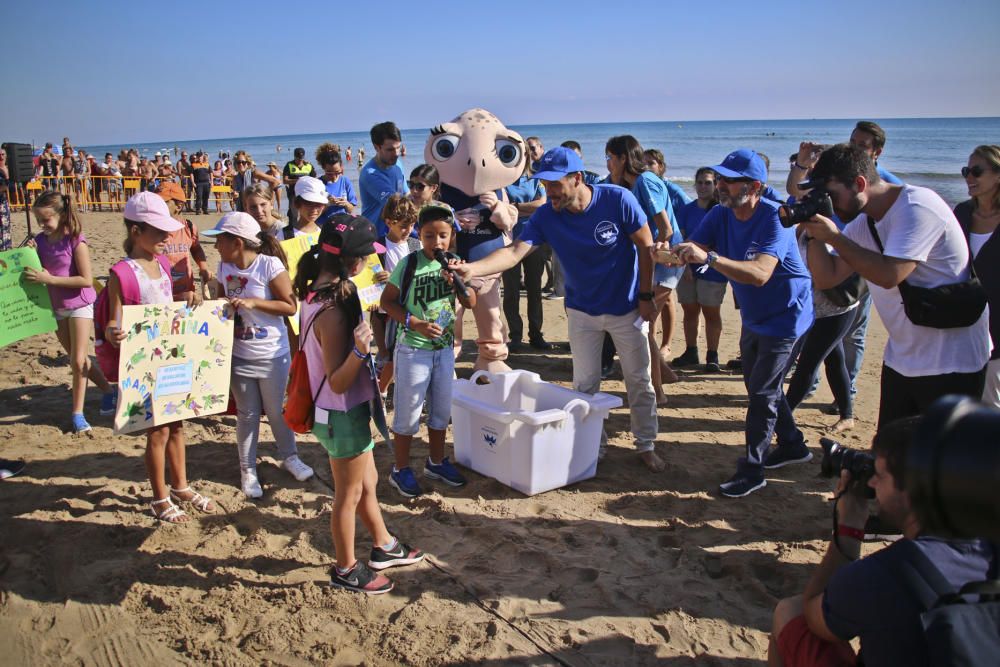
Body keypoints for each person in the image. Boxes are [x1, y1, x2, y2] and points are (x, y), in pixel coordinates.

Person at [453, 147, 664, 471]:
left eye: (554, 184)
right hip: (581, 312)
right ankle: (594, 443)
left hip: (626, 309)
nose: (547, 191)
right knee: (584, 385)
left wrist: (646, 296)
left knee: (639, 380)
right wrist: (473, 268)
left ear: (577, 178)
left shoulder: (617, 199)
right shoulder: (547, 216)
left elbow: (646, 245)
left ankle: (645, 443)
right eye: (543, 184)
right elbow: (513, 253)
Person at [769, 416, 995, 667]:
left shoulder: (886, 573)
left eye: (880, 475)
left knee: (791, 612)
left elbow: (814, 616)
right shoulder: (989, 546)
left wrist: (849, 528)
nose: (873, 482)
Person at [800, 143, 990, 428]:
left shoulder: (917, 207)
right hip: (903, 358)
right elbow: (827, 277)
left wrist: (836, 237)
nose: (829, 203)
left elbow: (890, 274)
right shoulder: (866, 222)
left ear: (860, 183)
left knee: (940, 464)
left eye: (831, 194)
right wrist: (815, 233)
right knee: (893, 458)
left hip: (953, 361)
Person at [670, 149, 814, 497]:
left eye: (730, 181)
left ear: (756, 186)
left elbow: (761, 273)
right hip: (754, 314)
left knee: (762, 393)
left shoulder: (774, 218)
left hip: (787, 316)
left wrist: (710, 258)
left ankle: (752, 469)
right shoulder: (722, 213)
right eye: (720, 179)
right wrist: (669, 251)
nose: (721, 185)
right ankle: (793, 444)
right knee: (758, 384)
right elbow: (694, 248)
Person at [293, 217, 423, 593]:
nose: (371, 262)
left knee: (368, 482)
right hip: (338, 412)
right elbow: (336, 379)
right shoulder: (331, 311)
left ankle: (384, 545)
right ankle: (346, 568)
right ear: (353, 262)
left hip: (348, 407)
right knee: (348, 495)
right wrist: (359, 350)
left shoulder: (326, 291)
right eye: (368, 257)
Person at [103, 192, 217, 523]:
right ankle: (159, 497)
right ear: (136, 232)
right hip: (146, 364)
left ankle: (180, 485)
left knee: (177, 425)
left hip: (171, 358)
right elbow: (114, 318)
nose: (167, 238)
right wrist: (113, 332)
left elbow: (166, 305)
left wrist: (188, 298)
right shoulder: (122, 272)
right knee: (157, 432)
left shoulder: (163, 264)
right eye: (159, 232)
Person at [788, 121, 903, 408]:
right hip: (826, 256)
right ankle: (815, 387)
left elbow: (890, 274)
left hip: (859, 269)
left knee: (851, 336)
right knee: (825, 340)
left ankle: (846, 395)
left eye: (862, 144)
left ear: (877, 152)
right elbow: (796, 190)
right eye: (852, 141)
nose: (854, 146)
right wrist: (803, 164)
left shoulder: (888, 189)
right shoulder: (837, 180)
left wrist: (834, 237)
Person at [201, 212, 314, 498]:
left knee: (277, 411)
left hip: (273, 352)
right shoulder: (223, 265)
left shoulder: (268, 264)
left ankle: (290, 457)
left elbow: (290, 306)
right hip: (239, 353)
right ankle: (247, 469)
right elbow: (218, 301)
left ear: (237, 242)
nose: (216, 247)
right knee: (247, 414)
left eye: (220, 241)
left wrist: (253, 302)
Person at [379, 204, 475, 497]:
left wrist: (458, 284)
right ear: (420, 235)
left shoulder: (456, 263)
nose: (437, 242)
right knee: (408, 414)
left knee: (441, 411)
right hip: (413, 350)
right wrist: (414, 322)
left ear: (452, 237)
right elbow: (387, 302)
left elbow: (470, 301)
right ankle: (400, 468)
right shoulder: (408, 265)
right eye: (430, 235)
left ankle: (436, 461)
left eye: (443, 236)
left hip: (444, 350)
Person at [23, 191, 116, 433]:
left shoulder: (76, 241)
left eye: (46, 220)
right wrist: (30, 255)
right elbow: (38, 271)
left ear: (61, 216)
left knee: (76, 360)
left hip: (80, 304)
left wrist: (49, 278)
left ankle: (77, 414)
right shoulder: (41, 242)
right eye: (39, 221)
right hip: (55, 307)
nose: (42, 225)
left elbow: (86, 280)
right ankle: (108, 390)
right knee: (79, 359)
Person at [784, 223, 859, 433]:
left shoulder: (824, 233)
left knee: (808, 363)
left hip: (836, 310)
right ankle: (847, 415)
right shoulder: (794, 230)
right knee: (835, 361)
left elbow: (825, 274)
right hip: (813, 309)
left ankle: (783, 415)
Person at [672, 168, 726, 371]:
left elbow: (723, 243)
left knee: (711, 312)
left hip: (712, 269)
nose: (703, 187)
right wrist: (684, 266)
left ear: (715, 186)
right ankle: (691, 351)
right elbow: (682, 238)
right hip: (688, 269)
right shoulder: (686, 209)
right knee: (690, 310)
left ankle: (712, 355)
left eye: (708, 183)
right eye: (700, 182)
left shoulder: (720, 210)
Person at [371, 194, 420, 392]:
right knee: (386, 352)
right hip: (382, 309)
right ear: (389, 222)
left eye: (411, 225)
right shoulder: (376, 246)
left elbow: (418, 276)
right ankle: (380, 388)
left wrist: (393, 276)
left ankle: (389, 386)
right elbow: (368, 276)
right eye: (403, 226)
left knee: (403, 351)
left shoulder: (416, 245)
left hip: (407, 307)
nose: (408, 230)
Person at [502, 151, 549, 352]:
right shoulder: (502, 181)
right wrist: (521, 209)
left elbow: (542, 205)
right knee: (511, 292)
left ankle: (536, 334)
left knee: (534, 290)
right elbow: (502, 209)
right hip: (509, 242)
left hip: (534, 241)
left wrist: (516, 207)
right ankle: (515, 336)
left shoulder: (535, 179)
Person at [155, 182, 212, 302]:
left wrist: (203, 267)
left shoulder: (189, 228)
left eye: (162, 203)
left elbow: (196, 248)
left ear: (179, 206)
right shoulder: (152, 231)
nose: (156, 206)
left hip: (187, 293)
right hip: (161, 293)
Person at [360, 122, 408, 236]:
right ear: (377, 147)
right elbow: (396, 205)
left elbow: (407, 195)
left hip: (398, 233)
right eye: (390, 149)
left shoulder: (398, 165)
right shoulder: (370, 174)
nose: (396, 154)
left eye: (398, 148)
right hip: (376, 236)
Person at [643, 148, 694, 216]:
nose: (646, 167)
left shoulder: (672, 189)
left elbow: (693, 209)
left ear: (660, 166)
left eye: (651, 163)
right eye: (643, 164)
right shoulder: (640, 187)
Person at [315, 143, 358, 218]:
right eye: (329, 173)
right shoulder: (317, 184)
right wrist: (327, 204)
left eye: (337, 172)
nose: (334, 176)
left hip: (343, 226)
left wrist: (346, 203)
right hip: (324, 227)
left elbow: (351, 210)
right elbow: (313, 214)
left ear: (341, 167)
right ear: (323, 168)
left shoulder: (345, 181)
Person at [282, 147, 316, 227]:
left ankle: (304, 229)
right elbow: (285, 181)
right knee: (294, 215)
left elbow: (314, 180)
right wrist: (297, 181)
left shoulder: (309, 165)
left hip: (307, 195)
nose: (300, 160)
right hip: (293, 194)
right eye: (298, 158)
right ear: (294, 157)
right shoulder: (289, 165)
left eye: (301, 158)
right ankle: (293, 231)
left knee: (306, 214)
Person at [0, 147, 11, 250]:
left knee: (6, 226)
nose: (1, 156)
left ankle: (6, 248)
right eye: (0, 154)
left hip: (4, 202)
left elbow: (11, 187)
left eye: (3, 154)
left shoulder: (9, 169)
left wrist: (7, 175)